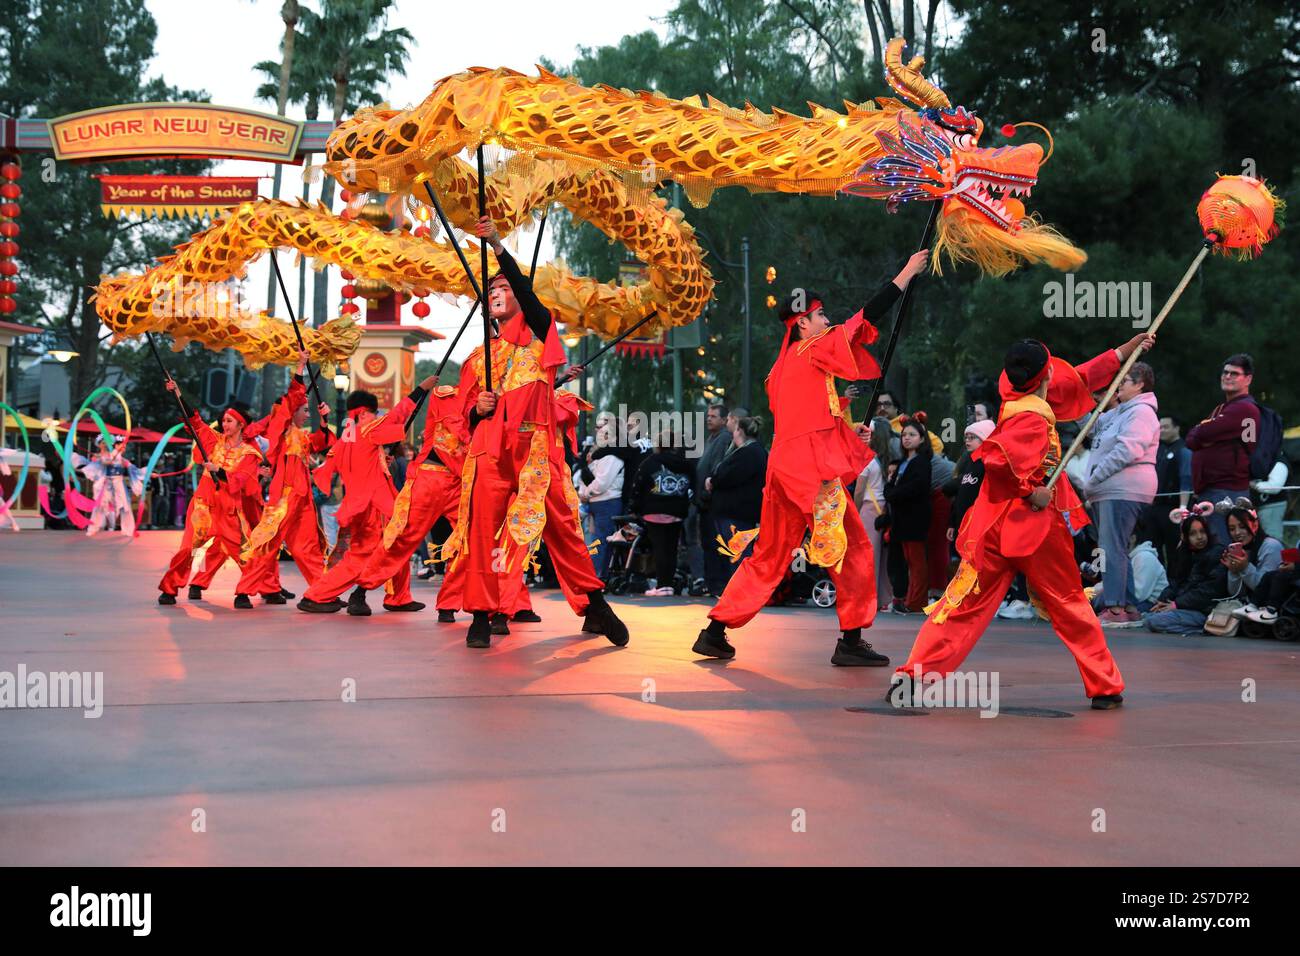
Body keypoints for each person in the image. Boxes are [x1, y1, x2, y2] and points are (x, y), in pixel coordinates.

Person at [693, 248, 930, 666]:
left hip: (783, 470)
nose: (828, 322)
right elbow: (864, 319)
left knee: (769, 554)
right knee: (852, 545)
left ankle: (715, 631)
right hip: (808, 473)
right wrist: (906, 272)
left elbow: (806, 419)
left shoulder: (781, 368)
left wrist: (845, 431)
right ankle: (851, 640)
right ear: (802, 322)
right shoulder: (814, 349)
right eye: (821, 316)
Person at [896, 333, 1156, 709]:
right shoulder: (1033, 419)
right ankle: (1105, 685)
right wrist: (1029, 491)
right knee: (1068, 605)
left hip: (992, 526)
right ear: (1047, 372)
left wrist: (1123, 352)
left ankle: (913, 678)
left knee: (964, 605)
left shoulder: (1016, 395)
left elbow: (1079, 378)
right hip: (1035, 528)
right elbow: (999, 461)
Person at [442, 217, 628, 649]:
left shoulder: (540, 340)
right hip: (490, 453)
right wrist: (477, 412)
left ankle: (595, 604)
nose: (496, 296)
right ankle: (482, 615)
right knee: (482, 531)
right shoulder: (477, 358)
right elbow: (462, 420)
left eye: (503, 289)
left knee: (564, 528)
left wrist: (499, 248)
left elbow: (533, 299)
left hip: (537, 452)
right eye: (490, 292)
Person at [296, 380, 433, 615]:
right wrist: (422, 388)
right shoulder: (368, 428)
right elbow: (398, 414)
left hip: (360, 504)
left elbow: (338, 465)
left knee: (398, 545)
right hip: (374, 506)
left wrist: (379, 462)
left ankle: (399, 596)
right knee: (365, 554)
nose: (377, 416)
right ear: (362, 413)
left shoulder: (345, 439)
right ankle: (318, 595)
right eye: (373, 412)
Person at [157, 384, 275, 609]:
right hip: (203, 505)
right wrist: (178, 394)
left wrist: (217, 471)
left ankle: (244, 593)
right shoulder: (213, 440)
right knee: (188, 549)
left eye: (230, 421)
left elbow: (239, 480)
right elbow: (195, 422)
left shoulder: (250, 454)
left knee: (246, 553)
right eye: (224, 421)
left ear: (241, 424)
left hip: (230, 510)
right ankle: (170, 588)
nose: (224, 424)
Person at [240, 351, 334, 591]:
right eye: (305, 411)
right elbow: (292, 398)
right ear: (291, 412)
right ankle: (245, 589)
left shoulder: (301, 436)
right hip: (284, 495)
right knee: (268, 543)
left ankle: (321, 591)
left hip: (303, 499)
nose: (307, 414)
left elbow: (322, 443)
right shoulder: (280, 429)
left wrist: (324, 422)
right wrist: (301, 367)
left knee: (308, 546)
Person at [1081, 361, 1160, 628]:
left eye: (1123, 381)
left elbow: (1127, 450)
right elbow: (1088, 425)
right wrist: (1076, 397)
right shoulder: (1118, 413)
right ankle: (1127, 605)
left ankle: (1114, 607)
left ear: (1139, 384)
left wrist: (1094, 478)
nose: (1117, 387)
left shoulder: (1141, 412)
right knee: (1115, 547)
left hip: (1123, 488)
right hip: (1109, 489)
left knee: (1111, 547)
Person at [1185, 353, 1259, 542]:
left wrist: (1203, 431)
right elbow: (1194, 438)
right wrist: (1205, 433)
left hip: (1226, 490)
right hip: (1216, 488)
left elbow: (1197, 436)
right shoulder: (1224, 408)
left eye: (1234, 374)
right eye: (1225, 372)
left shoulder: (1243, 408)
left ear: (1248, 379)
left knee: (1224, 546)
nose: (1227, 376)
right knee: (1213, 548)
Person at [629, 427, 695, 595]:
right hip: (677, 512)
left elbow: (638, 485)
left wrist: (635, 508)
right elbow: (692, 485)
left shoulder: (650, 462)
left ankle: (661, 585)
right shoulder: (685, 464)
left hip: (654, 511)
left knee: (659, 548)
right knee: (671, 549)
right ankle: (668, 584)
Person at [707, 413, 768, 583]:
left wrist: (713, 480)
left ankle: (740, 589)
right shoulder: (757, 451)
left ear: (739, 431)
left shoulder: (747, 453)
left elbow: (728, 476)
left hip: (735, 512)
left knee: (738, 554)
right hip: (741, 512)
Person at [1144, 514, 1227, 634]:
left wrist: (1177, 604)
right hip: (1187, 606)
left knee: (1153, 621)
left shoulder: (1216, 553)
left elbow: (1208, 591)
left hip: (1206, 610)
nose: (1199, 537)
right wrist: (1163, 600)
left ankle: (1202, 629)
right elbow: (1176, 583)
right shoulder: (1186, 553)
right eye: (1193, 534)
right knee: (1149, 616)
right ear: (1185, 537)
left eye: (1202, 531)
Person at [883, 415, 933, 612]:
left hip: (914, 518)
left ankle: (917, 602)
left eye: (912, 435)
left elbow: (916, 487)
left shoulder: (922, 462)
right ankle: (905, 598)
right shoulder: (903, 461)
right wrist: (892, 493)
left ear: (921, 439)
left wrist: (893, 494)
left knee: (917, 562)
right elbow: (890, 485)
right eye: (904, 435)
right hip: (900, 519)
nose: (907, 438)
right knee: (903, 561)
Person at [854, 414, 894, 612]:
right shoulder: (885, 460)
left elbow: (860, 490)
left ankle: (866, 598)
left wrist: (854, 509)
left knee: (866, 556)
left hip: (868, 509)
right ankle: (880, 597)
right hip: (882, 508)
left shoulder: (867, 461)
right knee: (879, 556)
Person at [695, 402, 733, 595]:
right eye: (708, 416)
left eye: (713, 416)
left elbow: (716, 467)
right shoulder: (712, 438)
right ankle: (712, 583)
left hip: (711, 502)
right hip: (705, 502)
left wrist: (706, 494)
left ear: (724, 420)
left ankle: (717, 584)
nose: (708, 419)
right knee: (709, 544)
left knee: (715, 544)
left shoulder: (724, 438)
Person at [576, 432, 624, 579]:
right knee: (595, 540)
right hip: (596, 502)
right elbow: (584, 479)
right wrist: (585, 493)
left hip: (607, 502)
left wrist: (586, 493)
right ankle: (594, 574)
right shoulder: (602, 458)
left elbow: (601, 483)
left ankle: (597, 575)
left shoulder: (612, 458)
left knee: (600, 541)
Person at [1147, 414, 1193, 567]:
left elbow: (1186, 478)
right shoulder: (1158, 450)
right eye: (1159, 427)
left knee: (1175, 549)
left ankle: (1176, 582)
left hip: (1173, 508)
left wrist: (1182, 507)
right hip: (1155, 506)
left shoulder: (1183, 450)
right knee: (1153, 548)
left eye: (1165, 427)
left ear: (1176, 428)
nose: (1162, 430)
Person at [1222, 506, 1282, 610]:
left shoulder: (1270, 546)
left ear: (1255, 525)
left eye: (1242, 526)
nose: (1237, 533)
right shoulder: (1240, 549)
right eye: (1232, 529)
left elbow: (1265, 590)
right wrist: (1234, 570)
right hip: (1246, 609)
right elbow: (1236, 593)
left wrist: (1245, 568)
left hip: (1269, 611)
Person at [946, 419, 994, 542]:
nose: (967, 440)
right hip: (962, 524)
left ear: (984, 439)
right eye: (966, 437)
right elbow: (961, 495)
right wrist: (952, 523)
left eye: (972, 437)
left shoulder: (988, 464)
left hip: (977, 525)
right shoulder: (970, 463)